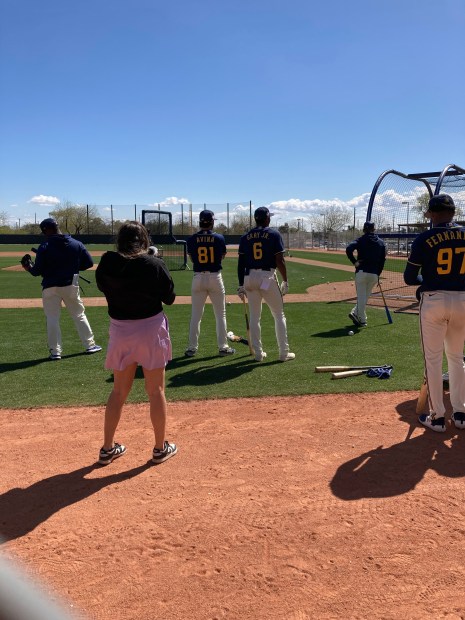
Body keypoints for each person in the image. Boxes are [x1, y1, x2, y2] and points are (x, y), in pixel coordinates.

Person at [95, 221, 178, 465]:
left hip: (120, 330)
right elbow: (170, 298)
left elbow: (104, 285)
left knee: (119, 391)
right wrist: (154, 261)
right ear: (143, 240)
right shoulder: (153, 264)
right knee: (156, 390)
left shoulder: (107, 262)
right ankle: (160, 448)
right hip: (150, 329)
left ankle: (108, 448)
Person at [404, 193, 465, 433]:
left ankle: (438, 417)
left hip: (434, 300)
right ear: (453, 212)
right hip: (463, 300)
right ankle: (460, 414)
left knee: (433, 360)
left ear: (432, 214)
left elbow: (409, 277)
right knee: (457, 358)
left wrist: (428, 281)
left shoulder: (424, 238)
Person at [20, 217, 102, 360]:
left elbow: (36, 271)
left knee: (52, 318)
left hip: (50, 287)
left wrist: (28, 267)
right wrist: (73, 267)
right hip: (71, 285)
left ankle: (55, 352)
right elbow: (89, 263)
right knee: (79, 315)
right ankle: (90, 345)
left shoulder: (44, 246)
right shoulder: (76, 243)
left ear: (46, 230)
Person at [237, 206, 295, 362]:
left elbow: (240, 263)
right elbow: (280, 260)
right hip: (266, 277)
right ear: (267, 218)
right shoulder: (274, 234)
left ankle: (258, 354)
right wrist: (285, 280)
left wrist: (241, 285)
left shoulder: (245, 236)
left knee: (255, 317)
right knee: (279, 315)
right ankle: (283, 353)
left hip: (249, 278)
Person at [184, 209, 235, 357]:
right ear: (212, 222)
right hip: (215, 277)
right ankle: (223, 347)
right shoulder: (219, 238)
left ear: (200, 222)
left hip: (198, 277)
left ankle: (191, 348)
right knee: (220, 315)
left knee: (196, 315)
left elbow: (192, 259)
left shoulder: (191, 239)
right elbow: (221, 257)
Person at [346, 221, 386, 327]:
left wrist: (354, 262)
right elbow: (382, 261)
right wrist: (378, 274)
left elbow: (349, 249)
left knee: (361, 297)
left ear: (364, 230)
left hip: (361, 272)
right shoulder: (381, 242)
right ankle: (355, 313)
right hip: (374, 274)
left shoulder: (360, 240)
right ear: (374, 229)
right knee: (365, 297)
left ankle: (362, 320)